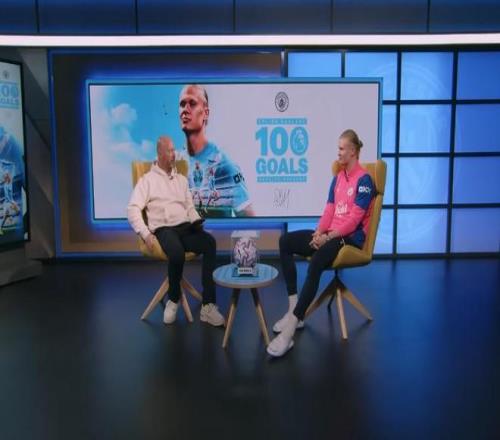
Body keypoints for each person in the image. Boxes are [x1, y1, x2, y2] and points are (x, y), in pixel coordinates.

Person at [267, 129, 375, 357]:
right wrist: (318, 233)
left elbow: (354, 220)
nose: (338, 152)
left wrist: (329, 237)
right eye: (338, 148)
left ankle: (289, 331)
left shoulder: (364, 180)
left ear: (353, 151)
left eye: (342, 148)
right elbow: (329, 210)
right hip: (331, 235)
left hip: (350, 238)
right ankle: (293, 310)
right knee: (286, 241)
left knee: (316, 261)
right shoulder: (338, 178)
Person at [127, 136, 225, 326]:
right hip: (163, 229)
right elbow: (132, 209)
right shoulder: (147, 180)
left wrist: (196, 221)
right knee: (176, 252)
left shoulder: (181, 180)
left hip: (185, 228)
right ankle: (173, 299)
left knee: (209, 243)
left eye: (174, 150)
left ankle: (208, 306)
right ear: (160, 153)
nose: (174, 154)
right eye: (170, 151)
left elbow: (189, 207)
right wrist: (145, 234)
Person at [178, 84, 254, 217]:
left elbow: (250, 219)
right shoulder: (175, 163)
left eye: (192, 103)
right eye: (182, 104)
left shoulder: (223, 164)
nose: (185, 109)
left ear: (206, 113)